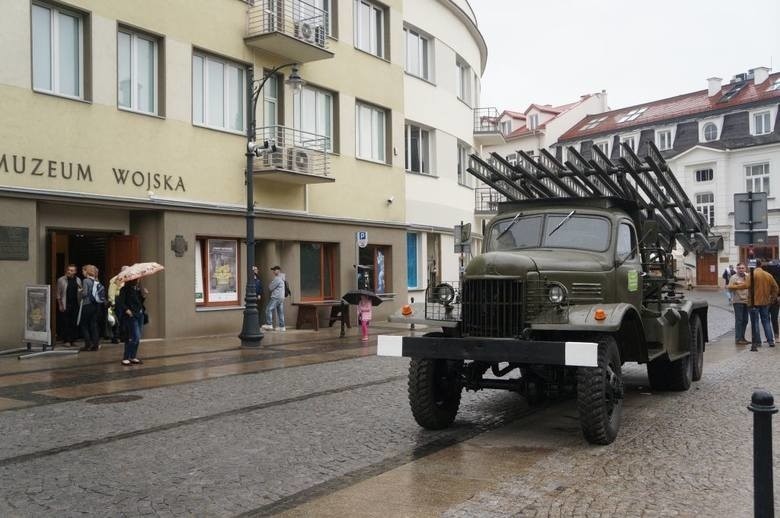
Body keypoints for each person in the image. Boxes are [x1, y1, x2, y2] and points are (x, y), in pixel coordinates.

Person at [731, 259, 779, 351]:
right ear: (760, 265)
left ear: (753, 265)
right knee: (766, 321)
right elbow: (775, 288)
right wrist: (772, 298)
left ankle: (757, 341)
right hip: (765, 302)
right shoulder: (768, 275)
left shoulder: (752, 274)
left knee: (755, 322)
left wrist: (732, 286)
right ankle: (770, 341)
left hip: (753, 303)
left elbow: (746, 286)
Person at [115, 278, 145, 365]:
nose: (138, 280)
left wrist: (144, 296)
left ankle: (133, 356)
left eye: (138, 279)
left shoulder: (137, 289)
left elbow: (139, 303)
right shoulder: (124, 289)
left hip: (139, 315)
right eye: (137, 279)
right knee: (134, 337)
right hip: (131, 316)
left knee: (137, 338)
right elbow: (120, 302)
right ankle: (126, 357)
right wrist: (126, 310)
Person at [78, 264, 103, 351]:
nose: (82, 272)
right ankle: (95, 345)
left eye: (83, 271)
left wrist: (80, 291)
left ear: (86, 271)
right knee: (94, 325)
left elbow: (84, 294)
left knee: (84, 325)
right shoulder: (97, 281)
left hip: (87, 305)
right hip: (96, 305)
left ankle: (87, 344)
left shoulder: (85, 281)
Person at [56, 264, 82, 346]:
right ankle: (66, 340)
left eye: (72, 270)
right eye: (68, 270)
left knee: (74, 322)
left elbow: (81, 291)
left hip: (75, 304)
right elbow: (58, 293)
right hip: (65, 303)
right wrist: (60, 304)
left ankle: (73, 340)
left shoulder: (78, 280)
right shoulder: (61, 280)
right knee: (66, 322)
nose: (70, 272)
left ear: (75, 272)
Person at [728, 263, 749, 345]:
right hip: (738, 301)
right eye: (739, 268)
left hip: (747, 301)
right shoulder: (733, 277)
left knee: (745, 320)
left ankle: (743, 337)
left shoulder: (748, 276)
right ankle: (738, 338)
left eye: (742, 268)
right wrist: (737, 286)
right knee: (739, 320)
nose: (741, 269)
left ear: (745, 269)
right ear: (737, 269)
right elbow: (729, 288)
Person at [108, 266, 129, 344]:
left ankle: (123, 336)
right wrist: (112, 302)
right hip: (117, 301)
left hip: (124, 301)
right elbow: (111, 291)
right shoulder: (116, 279)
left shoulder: (127, 279)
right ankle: (115, 337)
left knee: (124, 319)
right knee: (117, 320)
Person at [261, 265, 285, 332]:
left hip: (276, 297)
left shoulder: (277, 278)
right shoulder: (282, 277)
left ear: (278, 270)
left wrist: (271, 283)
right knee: (280, 312)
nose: (273, 272)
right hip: (281, 297)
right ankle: (282, 326)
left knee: (268, 309)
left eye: (274, 270)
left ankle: (269, 324)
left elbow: (270, 287)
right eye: (273, 270)